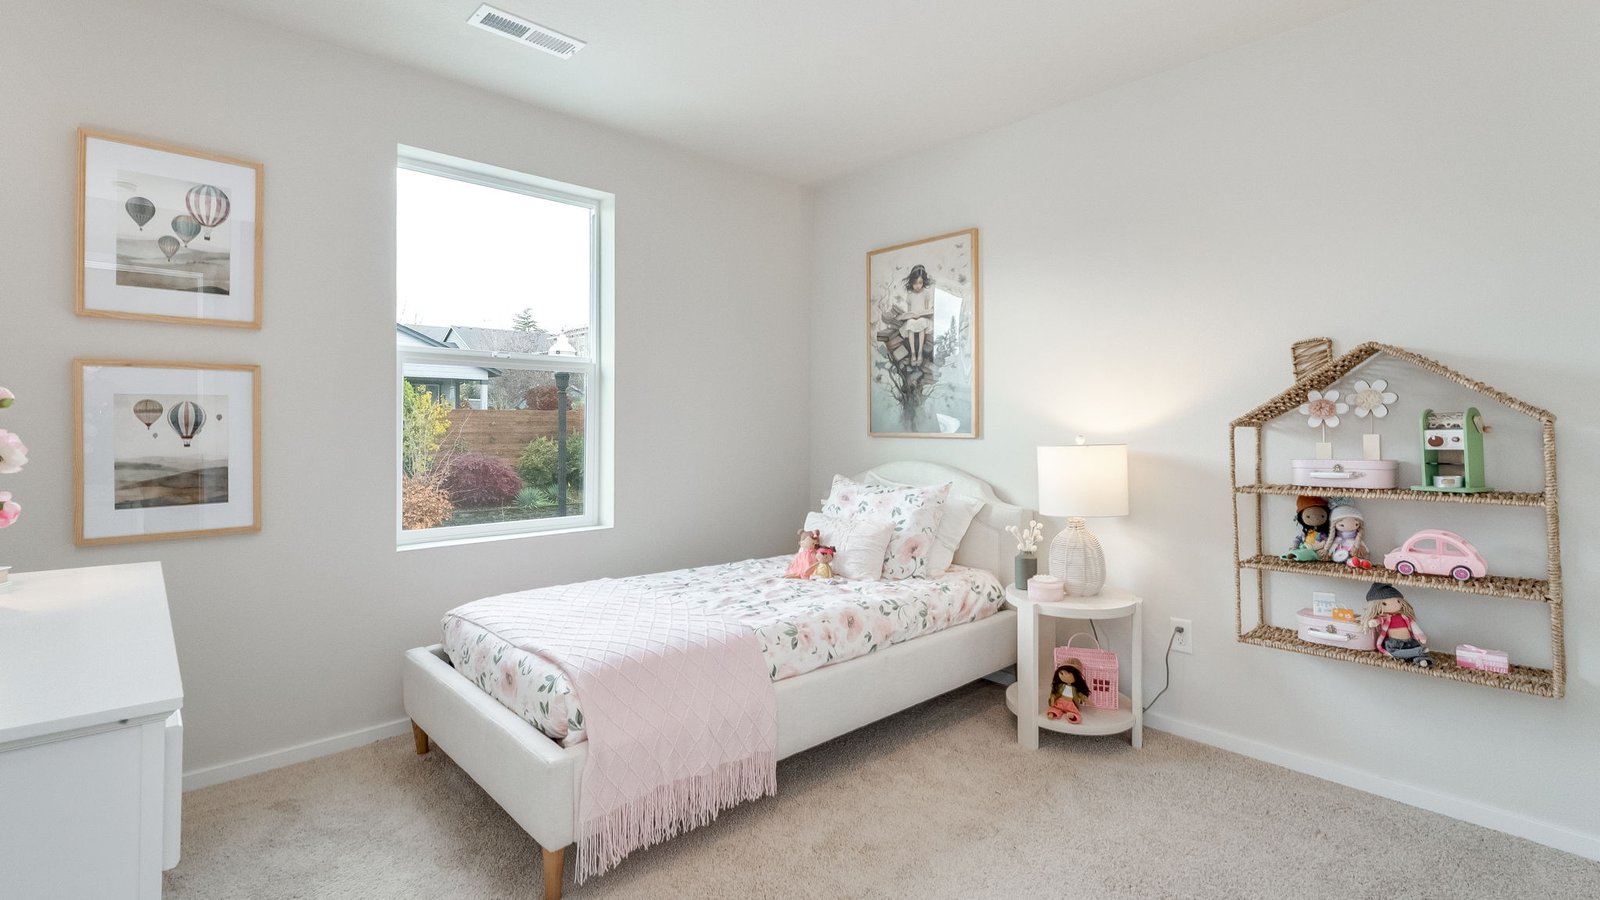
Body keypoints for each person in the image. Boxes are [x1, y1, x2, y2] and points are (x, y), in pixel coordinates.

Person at [1363, 583, 1431, 667]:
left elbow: (1414, 626)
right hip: (1394, 643)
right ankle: (1419, 651)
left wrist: (1421, 636)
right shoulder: (1385, 618)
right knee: (1394, 653)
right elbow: (1378, 621)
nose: (1395, 605)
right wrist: (1373, 622)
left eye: (1398, 601)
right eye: (1384, 604)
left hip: (1410, 641)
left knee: (1412, 650)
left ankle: (1422, 660)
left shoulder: (1404, 617)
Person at [897, 265, 935, 371]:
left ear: (923, 282)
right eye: (915, 283)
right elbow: (909, 311)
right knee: (910, 324)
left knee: (922, 323)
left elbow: (927, 310)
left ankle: (920, 353)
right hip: (913, 318)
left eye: (920, 283)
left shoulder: (926, 293)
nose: (917, 286)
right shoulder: (910, 295)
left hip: (922, 318)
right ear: (911, 283)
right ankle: (913, 352)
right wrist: (911, 315)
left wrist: (922, 314)